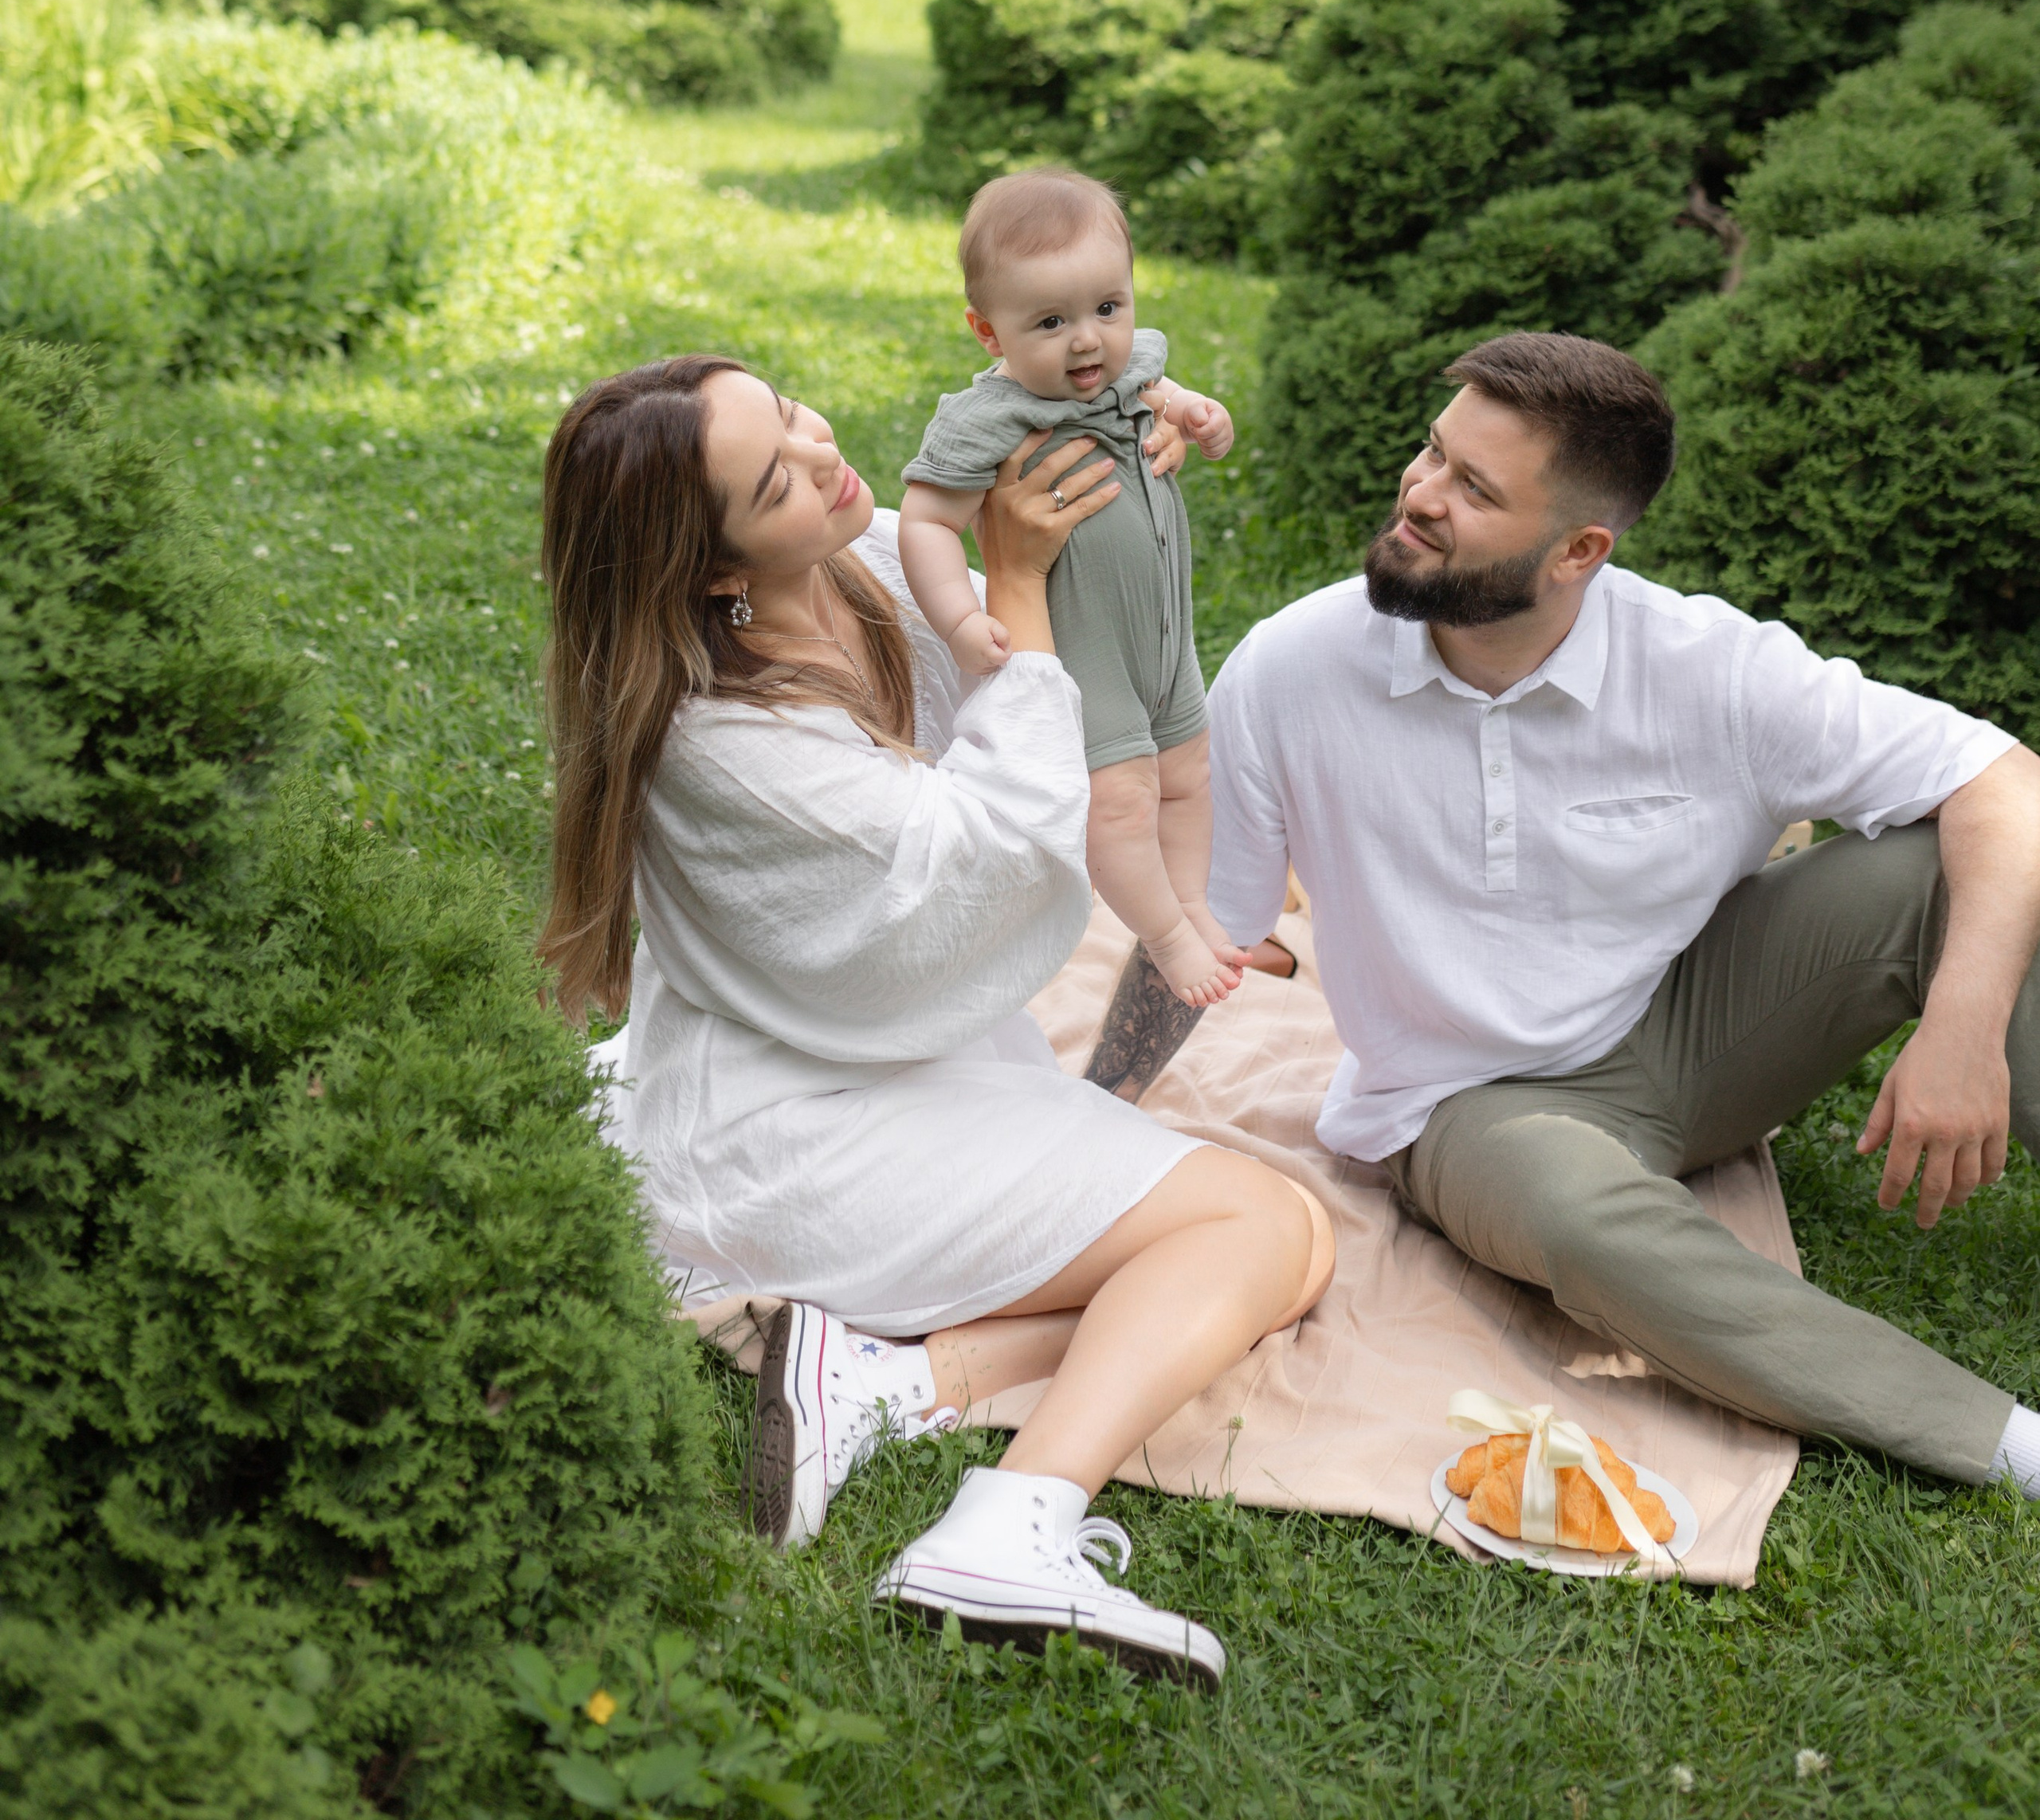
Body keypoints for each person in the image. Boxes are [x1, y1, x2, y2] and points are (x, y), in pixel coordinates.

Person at [537, 352, 1332, 1682]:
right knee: (1263, 1229)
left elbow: (1043, 537)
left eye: (789, 410)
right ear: (715, 570)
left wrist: (1123, 439)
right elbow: (988, 866)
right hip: (792, 1135)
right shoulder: (720, 741)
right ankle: (1010, 1528)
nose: (820, 446)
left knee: (1288, 1246)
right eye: (775, 474)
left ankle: (893, 1384)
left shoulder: (850, 578)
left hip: (878, 1050)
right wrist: (1013, 589)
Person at [1165, 328, 2040, 1499]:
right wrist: (1091, 1116)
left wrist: (1963, 1027)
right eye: (1432, 455)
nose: (1420, 495)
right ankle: (2001, 1440)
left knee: (1947, 863)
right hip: (1472, 1106)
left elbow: (2001, 780)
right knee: (1578, 1219)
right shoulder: (1291, 670)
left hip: (1693, 1025)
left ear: (1580, 549)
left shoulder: (1707, 666)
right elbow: (1205, 935)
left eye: (1474, 489)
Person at [898, 170, 1243, 1009]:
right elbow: (925, 522)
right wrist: (956, 618)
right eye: (1050, 323)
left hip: (1165, 641)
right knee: (1121, 802)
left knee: (1191, 775)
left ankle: (1189, 900)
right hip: (1088, 653)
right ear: (988, 332)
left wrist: (1201, 416)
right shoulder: (990, 420)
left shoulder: (1130, 373)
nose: (1087, 341)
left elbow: (1165, 395)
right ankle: (1161, 937)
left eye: (1106, 309)